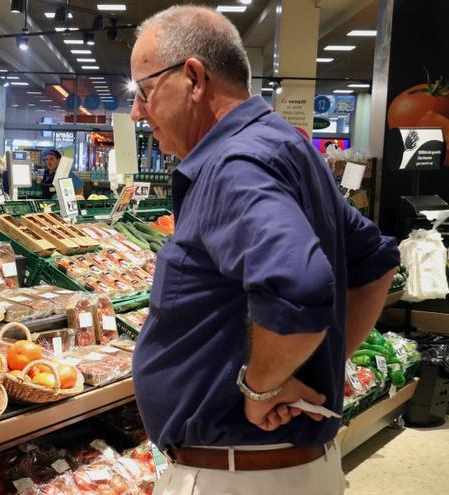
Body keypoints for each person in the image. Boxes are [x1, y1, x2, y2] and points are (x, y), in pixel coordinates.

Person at [128, 6, 399, 494]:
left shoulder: (235, 163)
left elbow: (299, 287)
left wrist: (263, 386)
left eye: (143, 92)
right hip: (284, 468)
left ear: (192, 77)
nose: (136, 112)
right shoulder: (282, 146)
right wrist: (308, 363)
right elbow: (375, 262)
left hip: (239, 477)